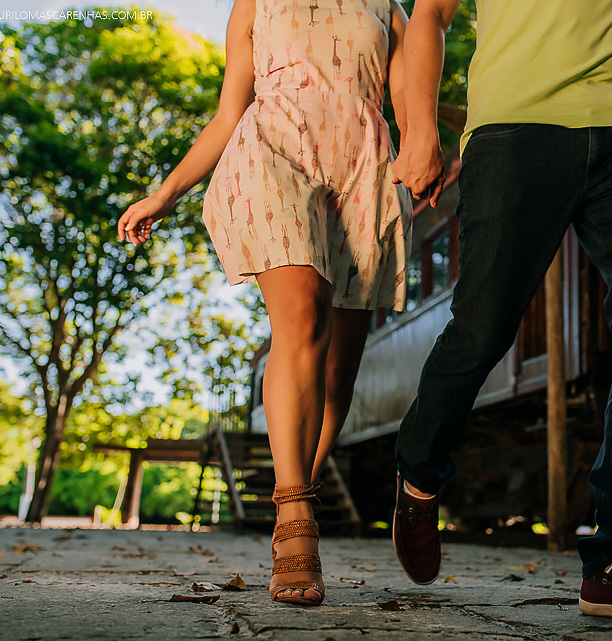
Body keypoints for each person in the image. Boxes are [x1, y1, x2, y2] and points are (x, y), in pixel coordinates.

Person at [390, 0, 612, 627]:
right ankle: (417, 472)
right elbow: (431, 14)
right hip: (515, 132)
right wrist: (419, 131)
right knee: (483, 328)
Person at [118, 0, 412, 606]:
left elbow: (410, 100)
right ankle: (294, 520)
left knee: (336, 377)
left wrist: (428, 146)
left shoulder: (387, 5)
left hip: (363, 164)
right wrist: (166, 193)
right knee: (301, 322)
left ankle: (297, 486)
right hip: (273, 150)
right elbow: (231, 111)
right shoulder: (253, 3)